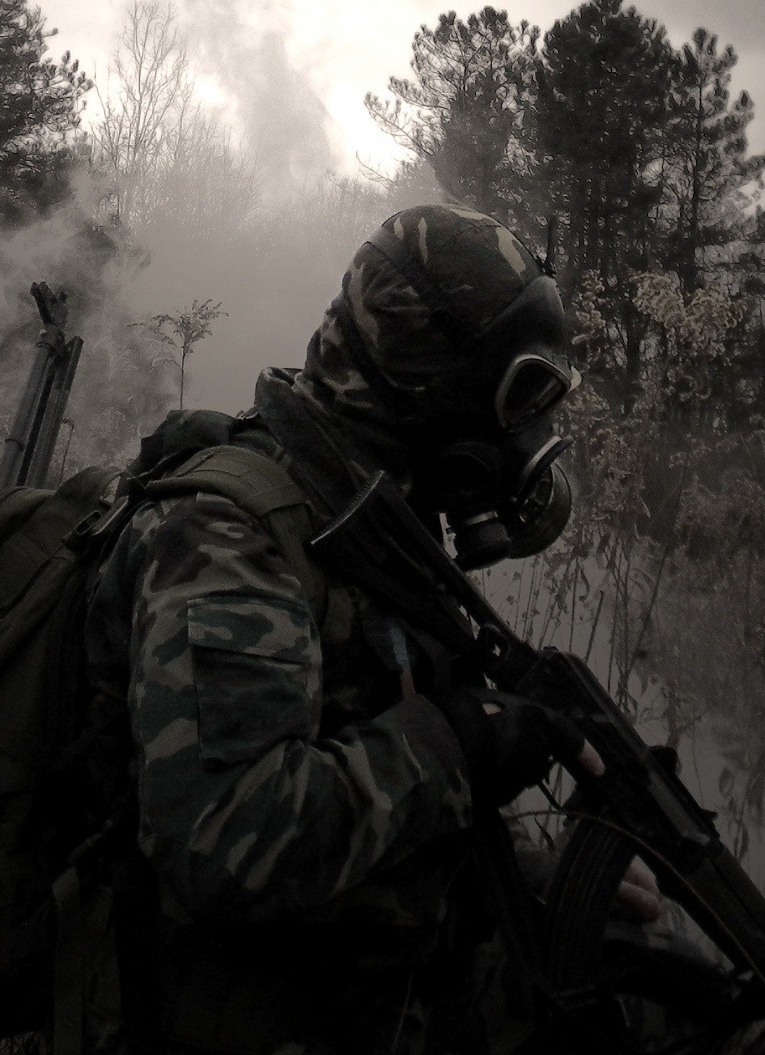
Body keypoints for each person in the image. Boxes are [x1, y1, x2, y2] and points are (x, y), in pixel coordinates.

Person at [83, 205, 659, 1054]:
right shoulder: (229, 536)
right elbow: (226, 843)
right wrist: (459, 741)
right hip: (207, 1007)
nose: (527, 434)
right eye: (517, 393)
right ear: (426, 377)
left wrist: (523, 881)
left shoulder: (366, 516)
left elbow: (357, 759)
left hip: (352, 982)